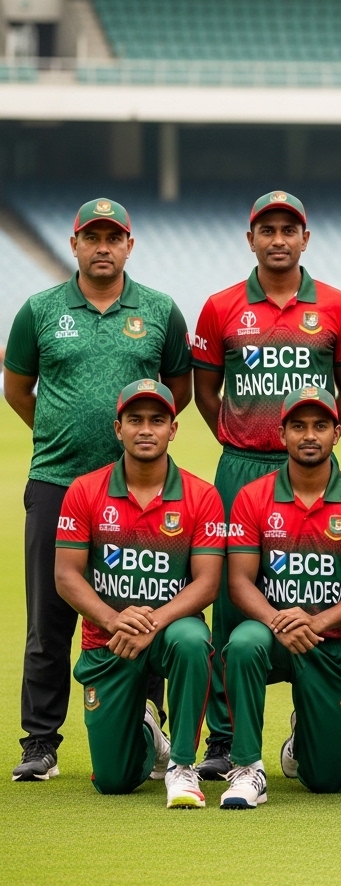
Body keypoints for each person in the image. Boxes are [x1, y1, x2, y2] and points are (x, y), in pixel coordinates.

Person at [6, 198, 193, 783]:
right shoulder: (39, 310)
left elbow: (178, 390)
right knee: (49, 617)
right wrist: (59, 434)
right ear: (75, 244)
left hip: (137, 490)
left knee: (146, 605)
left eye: (114, 238)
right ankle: (40, 742)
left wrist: (136, 448)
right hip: (58, 481)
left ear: (129, 245)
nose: (103, 247)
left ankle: (151, 723)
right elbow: (17, 389)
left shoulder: (160, 310)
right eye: (93, 237)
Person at [190, 190, 341, 780]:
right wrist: (239, 436)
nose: (279, 239)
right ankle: (225, 737)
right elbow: (206, 391)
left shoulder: (337, 306)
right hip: (241, 466)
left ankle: (310, 711)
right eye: (267, 229)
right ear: (251, 239)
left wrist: (314, 442)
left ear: (305, 238)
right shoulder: (221, 306)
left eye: (289, 229)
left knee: (318, 584)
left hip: (311, 470)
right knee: (230, 600)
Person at [53, 380, 222, 807]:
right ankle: (148, 729)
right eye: (135, 420)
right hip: (109, 639)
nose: (146, 429)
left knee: (192, 639)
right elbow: (66, 575)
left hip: (169, 632)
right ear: (118, 429)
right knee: (113, 781)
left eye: (157, 420)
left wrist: (153, 621)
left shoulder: (201, 495)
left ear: (173, 429)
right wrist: (113, 619)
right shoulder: (84, 490)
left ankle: (182, 765)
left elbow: (207, 582)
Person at [219, 386, 341, 808]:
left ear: (337, 433)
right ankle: (246, 767)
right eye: (298, 426)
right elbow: (239, 582)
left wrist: (317, 621)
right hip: (271, 636)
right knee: (243, 643)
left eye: (320, 426)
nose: (309, 435)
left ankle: (304, 734)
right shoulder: (253, 496)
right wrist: (279, 622)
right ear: (282, 434)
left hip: (331, 643)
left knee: (326, 781)